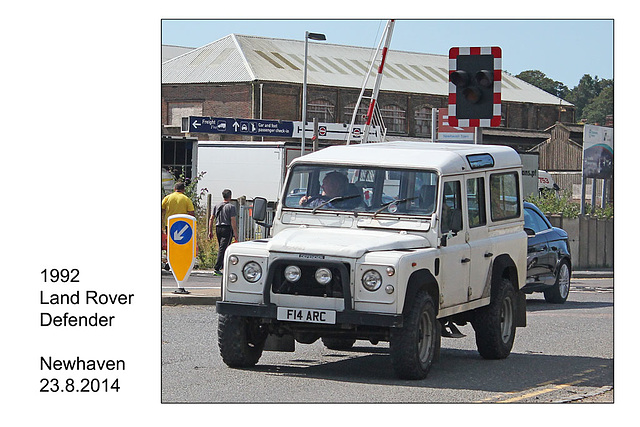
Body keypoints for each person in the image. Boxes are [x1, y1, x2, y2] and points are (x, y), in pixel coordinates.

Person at [208, 189, 239, 275]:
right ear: (230, 196)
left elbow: (211, 218)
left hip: (218, 228)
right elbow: (233, 220)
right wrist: (235, 233)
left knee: (222, 247)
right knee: (224, 249)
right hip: (227, 228)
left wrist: (210, 231)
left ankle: (222, 266)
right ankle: (217, 268)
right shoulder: (231, 207)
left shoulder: (217, 205)